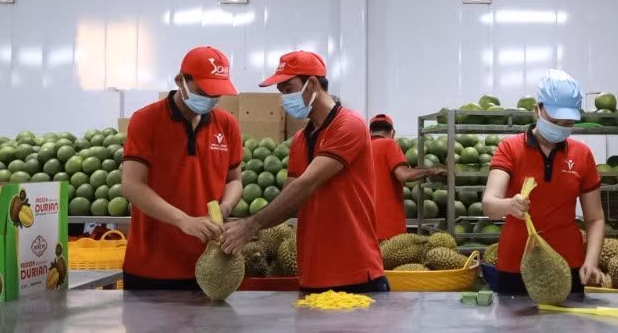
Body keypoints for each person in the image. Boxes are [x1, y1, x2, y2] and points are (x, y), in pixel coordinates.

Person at [220, 51, 386, 293]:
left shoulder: (349, 125)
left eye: (288, 89)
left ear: (313, 84)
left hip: (354, 271)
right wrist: (247, 229)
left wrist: (249, 226)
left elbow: (307, 183)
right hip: (313, 274)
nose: (284, 99)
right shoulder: (300, 139)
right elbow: (290, 198)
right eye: (281, 92)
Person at [121, 46, 243, 290]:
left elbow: (234, 180)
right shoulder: (146, 120)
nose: (210, 99)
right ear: (180, 81)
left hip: (210, 266)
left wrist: (226, 207)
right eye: (203, 91)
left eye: (216, 94)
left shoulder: (227, 124)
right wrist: (184, 221)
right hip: (151, 266)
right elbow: (132, 185)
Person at [482, 69, 605, 296]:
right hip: (517, 266)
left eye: (567, 123)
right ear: (536, 110)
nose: (560, 127)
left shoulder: (582, 154)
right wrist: (510, 205)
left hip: (568, 265)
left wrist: (591, 260)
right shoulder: (510, 148)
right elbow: (489, 205)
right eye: (554, 121)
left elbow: (595, 218)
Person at [369, 114, 446, 241]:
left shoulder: (362, 147)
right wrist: (433, 170)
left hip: (366, 225)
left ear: (370, 131)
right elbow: (403, 175)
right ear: (393, 132)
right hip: (387, 225)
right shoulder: (389, 144)